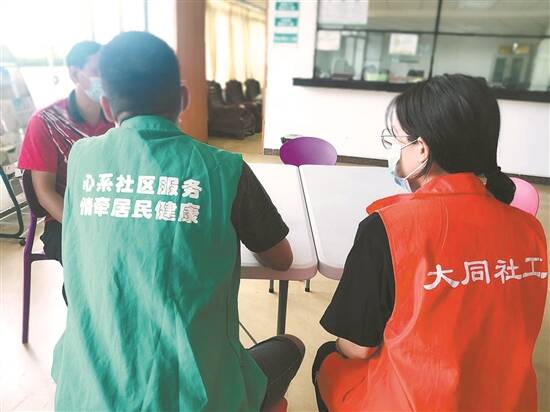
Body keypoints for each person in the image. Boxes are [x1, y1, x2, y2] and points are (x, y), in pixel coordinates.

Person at [51, 31, 304, 411]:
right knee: (290, 346)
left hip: (86, 395)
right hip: (195, 399)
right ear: (184, 97)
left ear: (106, 106)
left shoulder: (82, 159)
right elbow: (281, 259)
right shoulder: (223, 169)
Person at [313, 74, 547, 411]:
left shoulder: (386, 229)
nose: (395, 150)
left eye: (396, 140)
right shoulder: (530, 229)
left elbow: (358, 347)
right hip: (511, 401)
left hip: (416, 403)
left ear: (422, 149)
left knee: (328, 357)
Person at [18, 41, 113, 302]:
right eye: (97, 71)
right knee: (90, 268)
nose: (106, 79)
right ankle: (84, 319)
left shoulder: (118, 117)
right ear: (74, 74)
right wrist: (85, 226)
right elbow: (44, 193)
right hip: (64, 221)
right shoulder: (46, 122)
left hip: (112, 212)